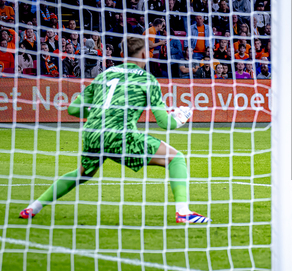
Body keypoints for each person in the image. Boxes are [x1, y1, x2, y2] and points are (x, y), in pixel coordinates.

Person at [20, 36, 211, 222]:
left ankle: (32, 207)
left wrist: (101, 114)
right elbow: (164, 123)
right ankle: (184, 213)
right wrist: (180, 118)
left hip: (92, 133)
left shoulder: (105, 74)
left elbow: (73, 109)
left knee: (81, 174)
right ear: (144, 54)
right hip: (120, 134)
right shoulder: (148, 80)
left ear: (122, 53)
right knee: (176, 158)